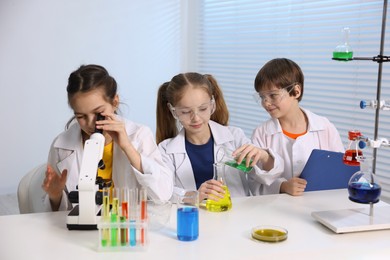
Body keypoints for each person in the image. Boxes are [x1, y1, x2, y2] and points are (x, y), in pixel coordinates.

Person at [42, 64, 173, 211]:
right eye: (81, 116)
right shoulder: (61, 146)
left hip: (127, 227)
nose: (92, 123)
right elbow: (58, 214)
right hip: (82, 231)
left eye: (98, 112)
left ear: (114, 102)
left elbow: (163, 194)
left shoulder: (139, 135)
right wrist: (55, 195)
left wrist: (128, 148)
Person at [156, 72, 283, 202]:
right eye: (186, 112)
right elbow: (162, 191)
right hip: (194, 218)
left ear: (212, 104)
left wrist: (263, 156)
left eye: (203, 109)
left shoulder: (234, 137)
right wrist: (192, 196)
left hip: (236, 216)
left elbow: (265, 177)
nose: (196, 118)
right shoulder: (166, 150)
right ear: (173, 110)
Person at [251, 58, 344, 196]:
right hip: (276, 210)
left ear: (296, 91)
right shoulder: (261, 133)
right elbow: (254, 183)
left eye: (273, 95)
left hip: (321, 204)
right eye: (262, 96)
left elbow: (340, 171)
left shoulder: (324, 127)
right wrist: (282, 186)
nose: (266, 103)